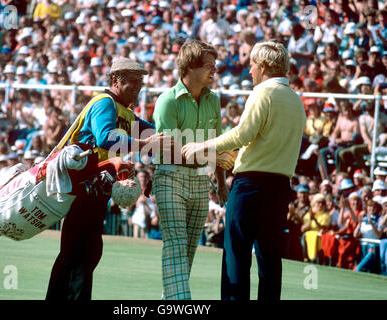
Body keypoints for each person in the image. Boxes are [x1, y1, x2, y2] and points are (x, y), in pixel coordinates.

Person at [182, 40, 306, 301]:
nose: (249, 70)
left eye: (252, 65)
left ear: (263, 66)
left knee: (236, 258)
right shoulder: (296, 100)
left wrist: (202, 146)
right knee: (270, 261)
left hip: (250, 186)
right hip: (280, 188)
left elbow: (242, 134)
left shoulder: (263, 93)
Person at [46, 58, 172, 300]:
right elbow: (106, 138)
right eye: (132, 82)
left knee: (84, 252)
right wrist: (145, 144)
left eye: (140, 83)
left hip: (95, 188)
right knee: (80, 253)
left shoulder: (125, 112)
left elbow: (157, 139)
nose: (137, 87)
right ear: (115, 80)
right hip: (83, 187)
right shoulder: (105, 103)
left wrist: (182, 145)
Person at [152, 39, 230, 300]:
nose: (214, 71)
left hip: (200, 179)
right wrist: (202, 152)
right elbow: (167, 150)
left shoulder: (213, 100)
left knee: (186, 252)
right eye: (209, 66)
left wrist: (221, 182)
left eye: (215, 66)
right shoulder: (167, 101)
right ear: (189, 67)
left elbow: (218, 146)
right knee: (175, 244)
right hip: (169, 175)